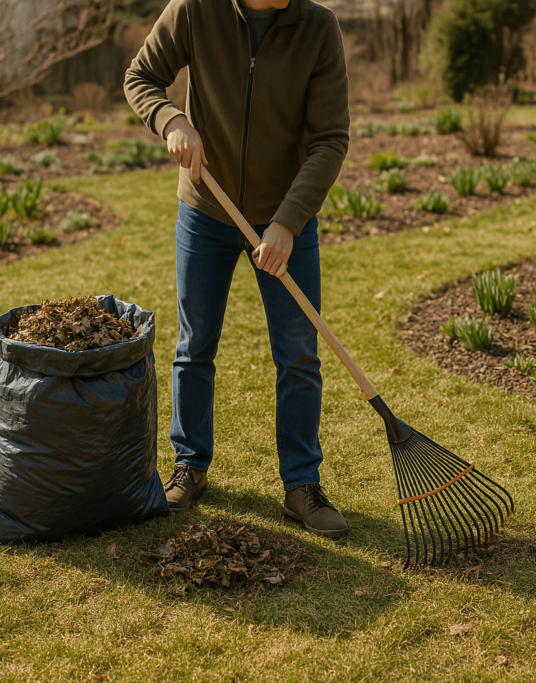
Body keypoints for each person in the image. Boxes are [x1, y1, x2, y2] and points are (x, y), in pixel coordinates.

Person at [124, 0, 350, 537]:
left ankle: (301, 484)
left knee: (298, 353)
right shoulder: (194, 10)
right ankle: (190, 465)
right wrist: (172, 118)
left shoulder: (317, 27)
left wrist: (289, 222)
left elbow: (329, 138)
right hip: (206, 209)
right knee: (194, 344)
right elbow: (141, 76)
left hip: (283, 218)